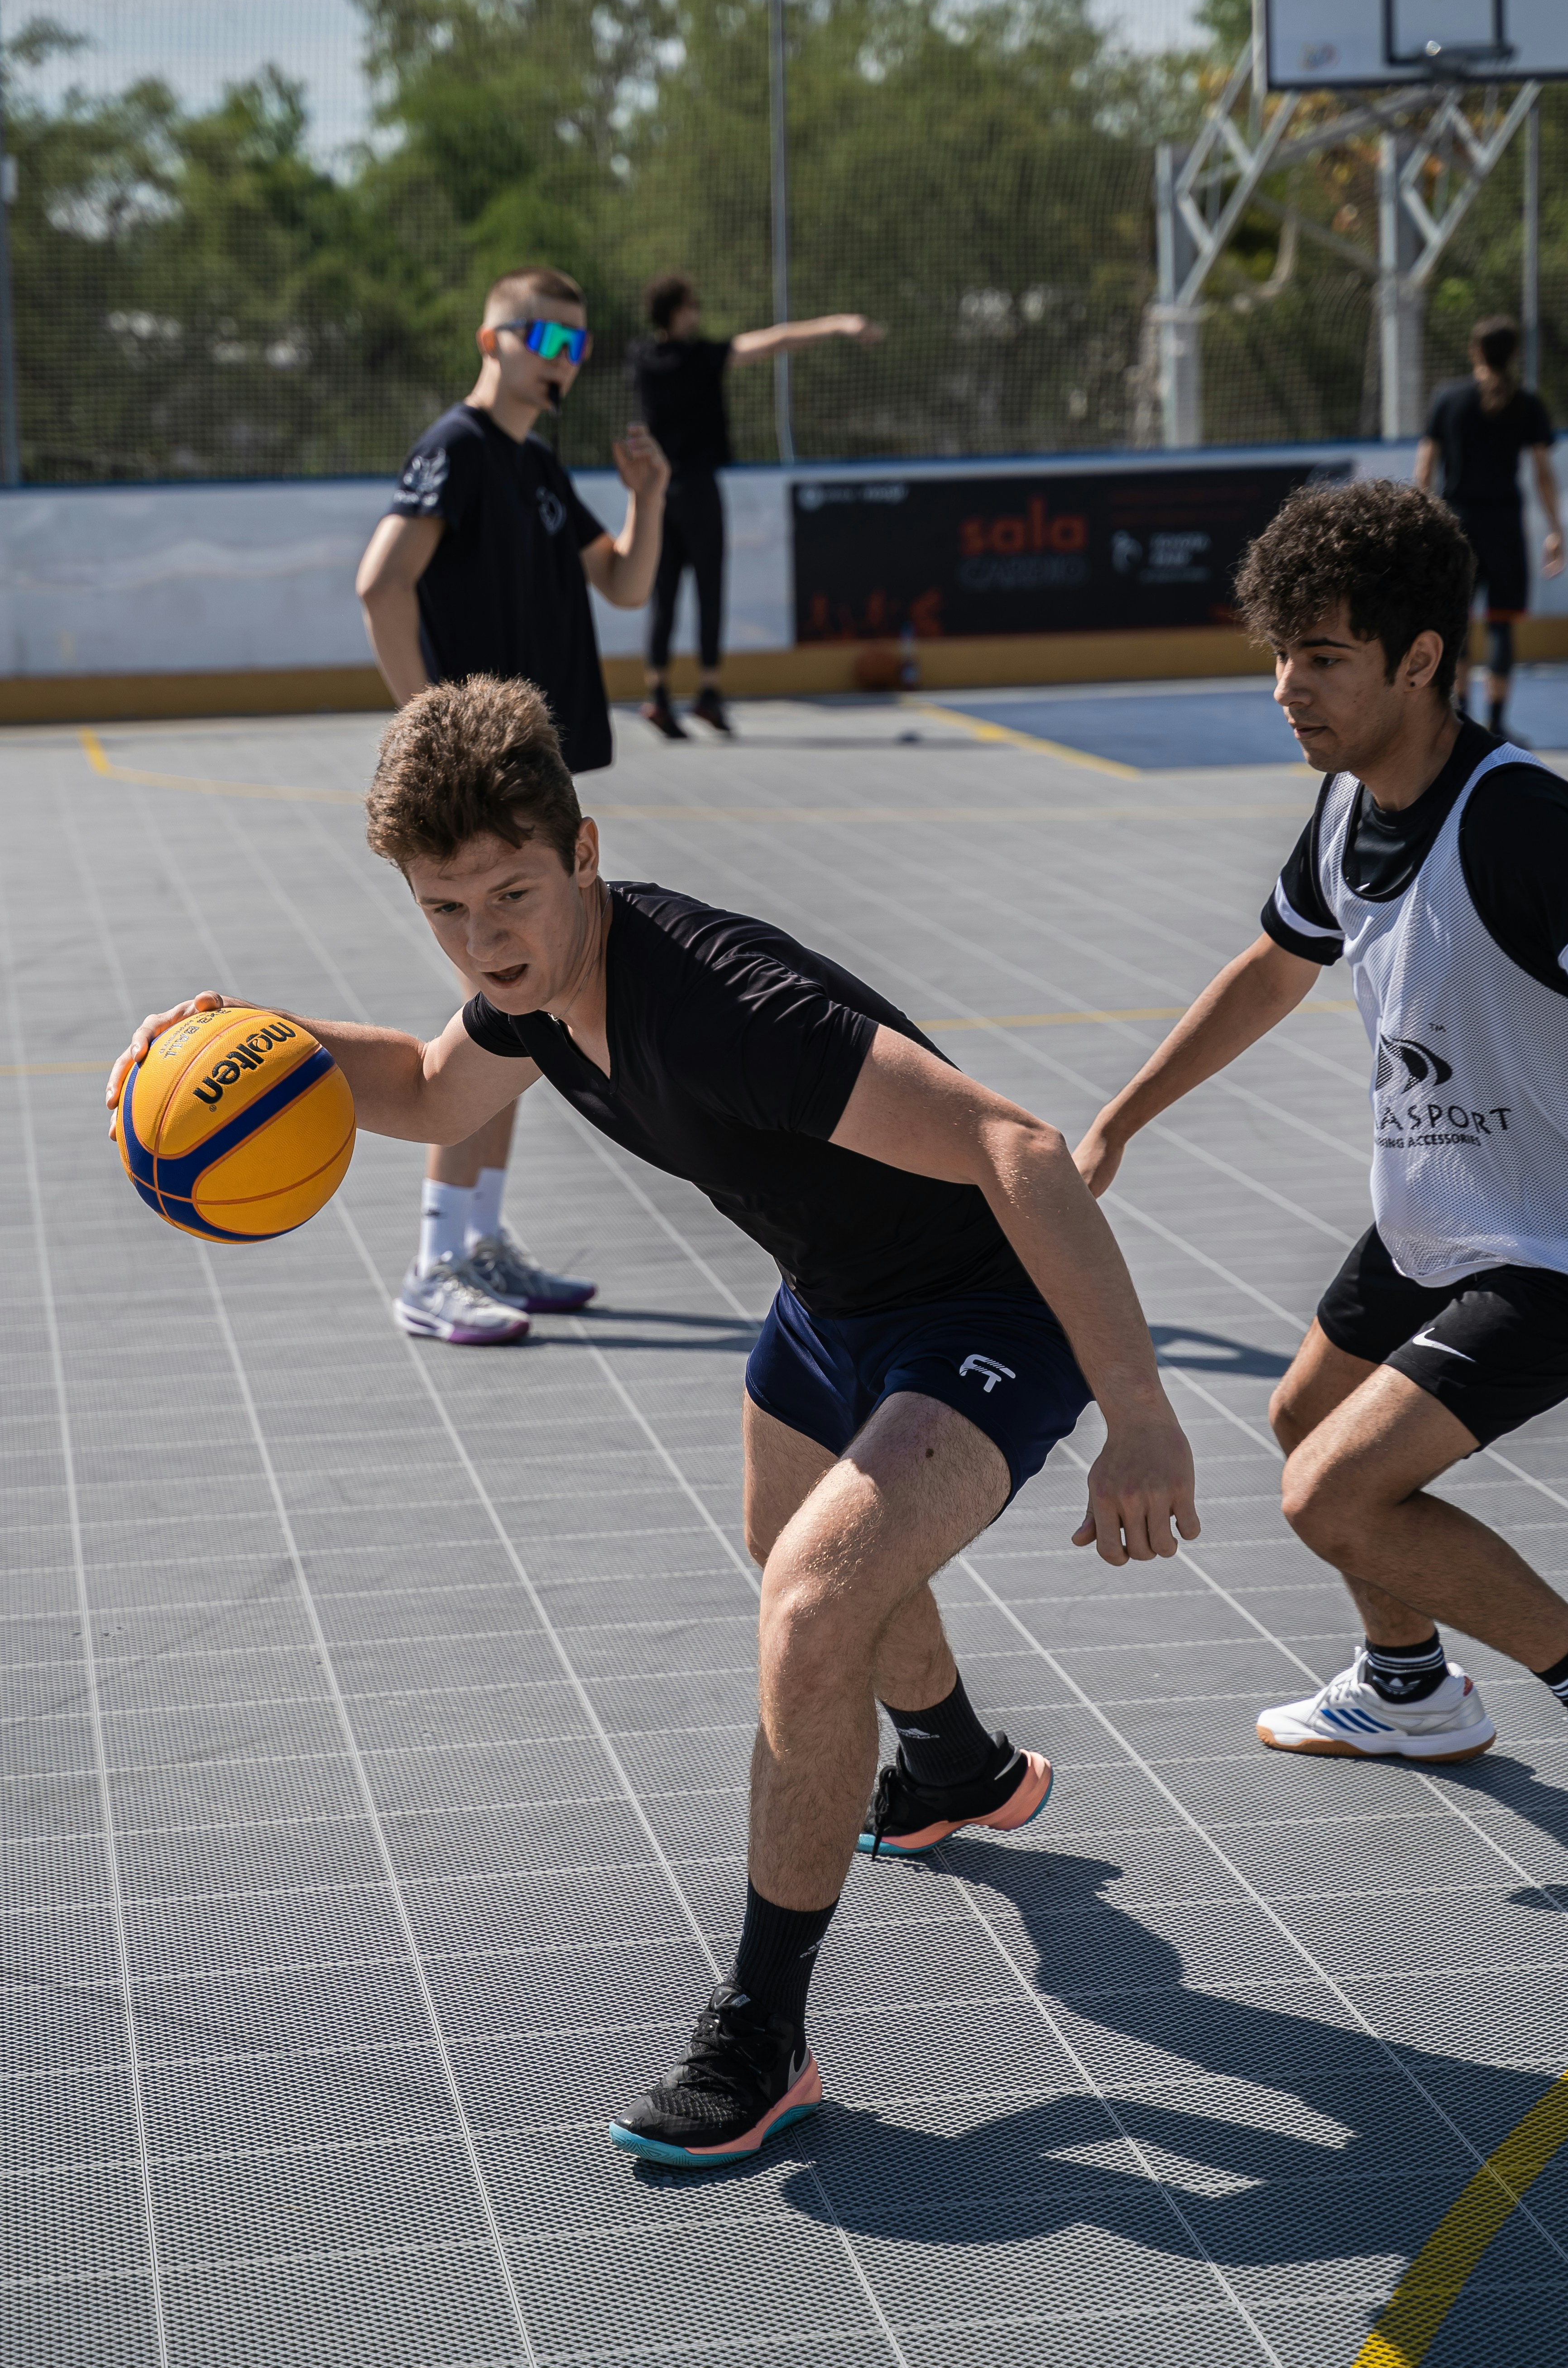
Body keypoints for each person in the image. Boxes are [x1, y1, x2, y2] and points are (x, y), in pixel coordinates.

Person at [106, 671, 1199, 2168]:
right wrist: (246, 1040)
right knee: (789, 1547)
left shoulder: (723, 1011)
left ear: (583, 853)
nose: (484, 940)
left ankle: (763, 2029)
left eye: (510, 894)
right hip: (832, 1296)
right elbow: (424, 1090)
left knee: (811, 1610)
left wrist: (1139, 1413)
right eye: (444, 910)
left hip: (983, 1308)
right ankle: (955, 1767)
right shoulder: (538, 997)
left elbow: (1015, 1144)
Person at [1075, 478, 1568, 1886]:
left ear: (1418, 660)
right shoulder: (1345, 808)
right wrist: (1116, 1123)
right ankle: (1407, 1689)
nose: (1287, 688)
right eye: (1280, 653)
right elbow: (1272, 968)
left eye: (1323, 657)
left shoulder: (1516, 820)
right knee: (1303, 1413)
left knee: (1330, 1494)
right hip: (1440, 1211)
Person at [354, 266, 670, 1343]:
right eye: (548, 337)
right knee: (495, 1015)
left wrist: (647, 496)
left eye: (580, 344)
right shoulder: (458, 448)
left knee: (523, 1015)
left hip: (527, 786)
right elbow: (381, 584)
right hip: (475, 799)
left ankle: (478, 1238)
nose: (565, 359)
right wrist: (430, 733)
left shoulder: (534, 463)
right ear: (493, 338)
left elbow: (624, 583)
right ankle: (436, 1261)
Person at [631, 275, 886, 739]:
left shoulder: (643, 359)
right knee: (709, 589)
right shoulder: (703, 356)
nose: (698, 312)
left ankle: (659, 693)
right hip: (699, 487)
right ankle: (709, 690)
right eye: (693, 305)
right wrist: (839, 324)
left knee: (662, 596)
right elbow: (775, 341)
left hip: (658, 491)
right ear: (677, 311)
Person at [1415, 314, 1565, 742]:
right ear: (1512, 353)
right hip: (1503, 528)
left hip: (1455, 525)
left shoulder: (1448, 399)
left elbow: (1425, 467)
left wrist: (1422, 523)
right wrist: (1555, 529)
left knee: (1457, 624)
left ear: (1475, 351)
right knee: (1501, 624)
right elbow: (1542, 473)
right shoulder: (1526, 403)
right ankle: (1497, 724)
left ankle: (1460, 720)